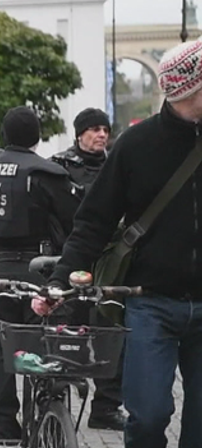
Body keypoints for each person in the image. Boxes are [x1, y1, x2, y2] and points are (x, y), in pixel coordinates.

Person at [35, 39, 202, 448]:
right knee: (148, 418)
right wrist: (61, 283)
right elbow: (94, 222)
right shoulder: (137, 147)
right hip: (148, 303)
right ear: (186, 89)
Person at [0, 108, 78, 448]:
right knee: (46, 345)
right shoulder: (46, 172)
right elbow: (72, 220)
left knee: (0, 349)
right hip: (40, 266)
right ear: (36, 136)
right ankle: (47, 420)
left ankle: (3, 427)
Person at [51, 107, 125, 431]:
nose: (101, 135)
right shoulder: (59, 167)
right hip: (72, 256)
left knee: (110, 330)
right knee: (69, 328)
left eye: (105, 130)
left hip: (112, 261)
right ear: (79, 133)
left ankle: (106, 406)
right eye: (94, 129)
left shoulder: (118, 166)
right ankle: (59, 402)